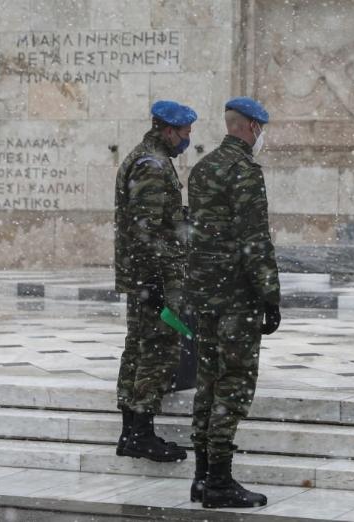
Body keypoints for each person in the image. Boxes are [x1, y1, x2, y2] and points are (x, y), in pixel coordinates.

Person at [186, 96, 281, 509]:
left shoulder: (203, 168)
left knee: (207, 381)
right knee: (235, 382)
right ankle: (220, 482)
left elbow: (197, 234)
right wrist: (270, 295)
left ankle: (202, 477)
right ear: (252, 127)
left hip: (205, 295)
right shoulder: (244, 172)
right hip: (236, 297)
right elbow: (254, 240)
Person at [113, 100, 196, 463]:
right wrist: (153, 283)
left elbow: (154, 220)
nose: (187, 139)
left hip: (145, 275)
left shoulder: (147, 158)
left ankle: (131, 431)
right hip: (154, 276)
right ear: (167, 130)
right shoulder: (153, 165)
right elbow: (144, 229)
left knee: (138, 348)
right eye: (184, 133)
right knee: (157, 351)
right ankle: (142, 433)